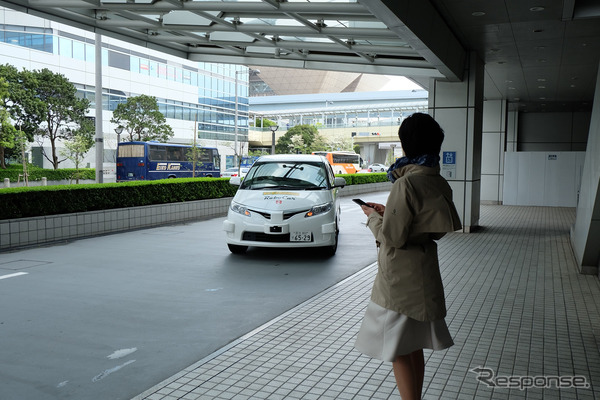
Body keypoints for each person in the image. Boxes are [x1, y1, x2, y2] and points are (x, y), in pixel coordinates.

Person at [354, 112, 462, 400]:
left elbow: (392, 238)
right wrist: (386, 213)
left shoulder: (406, 183)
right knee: (412, 345)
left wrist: (373, 218)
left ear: (406, 146)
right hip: (424, 273)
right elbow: (434, 228)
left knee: (398, 349)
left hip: (399, 281)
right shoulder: (437, 181)